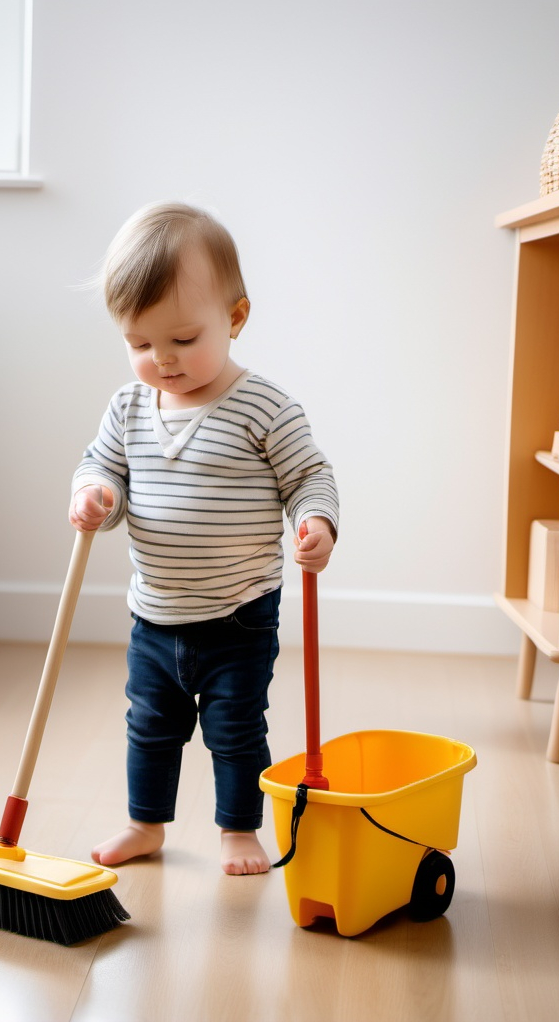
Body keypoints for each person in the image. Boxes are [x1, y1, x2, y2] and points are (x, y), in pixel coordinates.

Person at [69, 202, 339, 875]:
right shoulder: (127, 408)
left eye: (183, 340)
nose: (161, 359)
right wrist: (96, 497)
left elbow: (310, 474)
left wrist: (317, 522)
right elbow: (102, 465)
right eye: (139, 344)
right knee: (149, 728)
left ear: (236, 319)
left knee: (235, 729)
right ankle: (145, 824)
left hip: (239, 614)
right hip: (154, 614)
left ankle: (237, 830)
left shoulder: (264, 407)